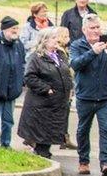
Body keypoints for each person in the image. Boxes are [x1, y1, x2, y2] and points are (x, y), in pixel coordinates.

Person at [70, 13, 107, 176]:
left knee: (106, 129)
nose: (95, 31)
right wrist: (92, 52)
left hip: (106, 97)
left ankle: (105, 163)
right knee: (83, 130)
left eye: (97, 27)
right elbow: (75, 64)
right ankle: (83, 161)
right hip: (85, 96)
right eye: (92, 28)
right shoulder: (77, 45)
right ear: (84, 29)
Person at [17, 27, 73, 158]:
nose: (56, 40)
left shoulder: (60, 55)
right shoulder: (36, 57)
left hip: (58, 102)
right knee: (42, 131)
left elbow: (67, 74)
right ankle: (41, 153)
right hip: (42, 103)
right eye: (53, 38)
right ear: (44, 41)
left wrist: (69, 88)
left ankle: (44, 152)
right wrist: (46, 89)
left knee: (52, 130)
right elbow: (29, 77)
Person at [0, 17, 26, 148]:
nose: (16, 31)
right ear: (4, 30)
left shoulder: (18, 44)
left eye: (17, 28)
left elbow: (23, 64)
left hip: (12, 90)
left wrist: (20, 82)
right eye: (13, 29)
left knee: (8, 120)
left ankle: (6, 144)